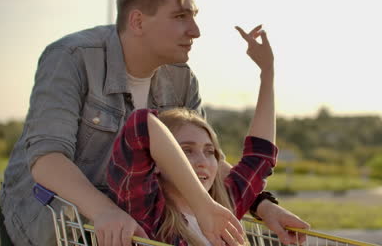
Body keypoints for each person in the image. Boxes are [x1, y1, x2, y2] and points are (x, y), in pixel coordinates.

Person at [0, 0, 309, 246]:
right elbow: (48, 159)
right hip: (51, 224)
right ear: (137, 22)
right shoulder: (71, 58)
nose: (196, 31)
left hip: (131, 227)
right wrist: (105, 210)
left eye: (194, 16)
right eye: (179, 16)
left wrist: (263, 205)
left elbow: (203, 158)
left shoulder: (181, 78)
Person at [107, 24, 278, 245]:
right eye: (186, 150)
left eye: (210, 152)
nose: (202, 162)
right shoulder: (148, 213)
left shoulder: (224, 206)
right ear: (158, 159)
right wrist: (203, 206)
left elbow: (260, 158)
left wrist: (267, 71)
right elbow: (140, 125)